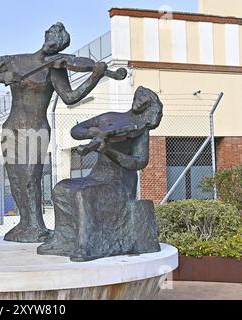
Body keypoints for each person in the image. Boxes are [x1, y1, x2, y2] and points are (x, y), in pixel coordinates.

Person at [0, 23, 110, 243]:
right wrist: (1, 77)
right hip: (12, 126)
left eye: (59, 43)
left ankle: (36, 225)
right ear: (46, 36)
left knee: (31, 177)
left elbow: (69, 97)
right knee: (15, 178)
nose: (54, 44)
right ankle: (25, 223)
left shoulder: (55, 67)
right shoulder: (14, 61)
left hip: (36, 127)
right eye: (53, 37)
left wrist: (94, 77)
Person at [37, 86, 163, 261]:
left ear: (148, 107)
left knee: (84, 194)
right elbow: (76, 130)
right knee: (61, 188)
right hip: (96, 176)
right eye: (140, 97)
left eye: (145, 101)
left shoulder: (140, 129)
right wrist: (95, 132)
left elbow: (140, 162)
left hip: (119, 183)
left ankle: (87, 245)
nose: (140, 101)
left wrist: (109, 151)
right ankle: (63, 239)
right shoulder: (109, 117)